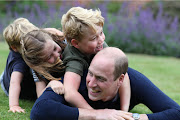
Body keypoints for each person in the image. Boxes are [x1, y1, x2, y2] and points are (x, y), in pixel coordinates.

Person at [20, 29, 180, 119]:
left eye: (101, 79)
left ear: (120, 79)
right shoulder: (74, 78)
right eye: (91, 73)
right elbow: (40, 111)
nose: (91, 83)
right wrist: (96, 115)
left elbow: (176, 112)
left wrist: (135, 118)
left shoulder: (132, 79)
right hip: (24, 82)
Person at [61, 6, 130, 111]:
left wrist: (124, 111)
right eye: (94, 38)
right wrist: (95, 114)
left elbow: (124, 75)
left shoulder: (99, 44)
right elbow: (70, 93)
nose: (101, 39)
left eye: (101, 33)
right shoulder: (74, 58)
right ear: (76, 43)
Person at [0, 18, 65, 113]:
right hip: (7, 84)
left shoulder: (36, 39)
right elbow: (14, 83)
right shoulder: (19, 62)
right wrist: (14, 105)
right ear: (15, 48)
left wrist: (55, 32)